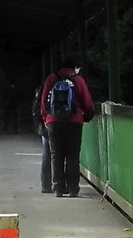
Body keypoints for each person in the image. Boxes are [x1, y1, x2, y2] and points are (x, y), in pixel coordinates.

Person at [40, 62, 95, 197]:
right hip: (74, 122)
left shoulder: (52, 78)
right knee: (72, 155)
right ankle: (73, 189)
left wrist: (45, 118)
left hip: (53, 122)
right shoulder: (78, 80)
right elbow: (87, 103)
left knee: (56, 155)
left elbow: (43, 101)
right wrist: (86, 117)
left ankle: (58, 188)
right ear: (73, 68)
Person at [32, 84, 52, 192]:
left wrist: (44, 121)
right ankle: (62, 185)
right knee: (64, 155)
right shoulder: (72, 81)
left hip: (47, 123)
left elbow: (40, 106)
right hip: (66, 123)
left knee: (47, 154)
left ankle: (46, 185)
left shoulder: (47, 83)